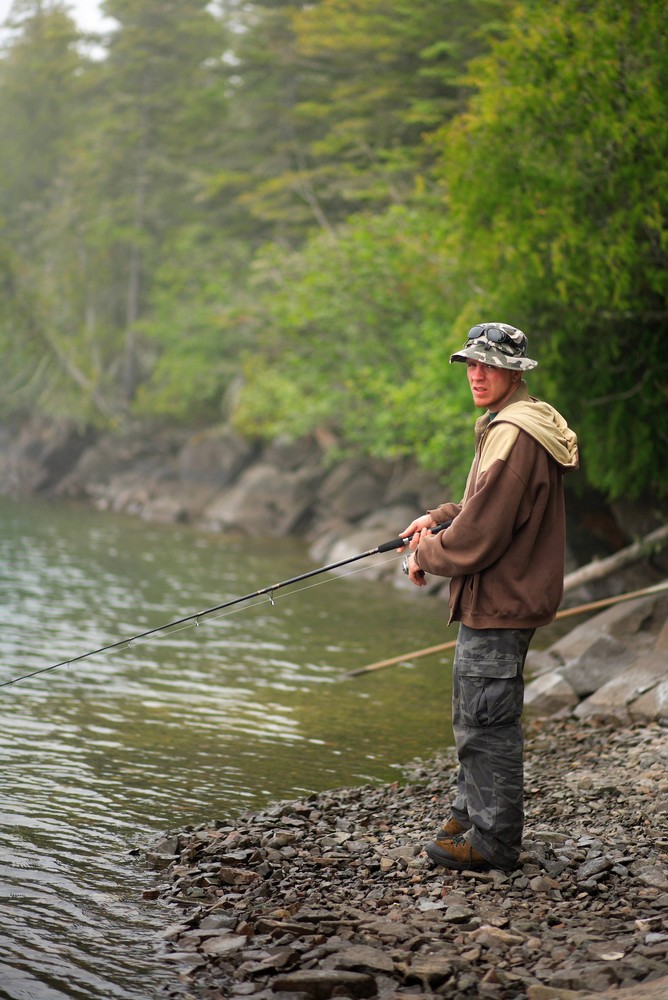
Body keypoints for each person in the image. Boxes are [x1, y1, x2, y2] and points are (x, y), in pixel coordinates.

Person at [400, 322, 578, 872]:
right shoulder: (509, 425)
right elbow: (481, 508)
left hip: (502, 597)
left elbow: (481, 536)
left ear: (515, 371)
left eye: (488, 364)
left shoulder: (516, 435)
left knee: (487, 721)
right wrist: (438, 518)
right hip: (500, 596)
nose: (476, 374)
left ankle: (493, 841)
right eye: (470, 364)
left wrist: (424, 554)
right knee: (472, 711)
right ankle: (467, 812)